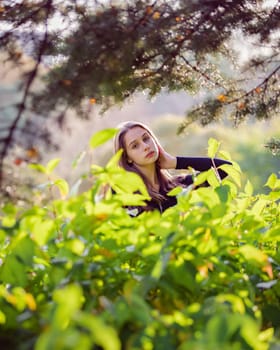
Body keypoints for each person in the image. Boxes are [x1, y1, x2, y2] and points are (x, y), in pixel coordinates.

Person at [114, 121, 232, 215]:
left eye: (146, 138)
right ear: (127, 158)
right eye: (135, 146)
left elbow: (226, 168)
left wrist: (176, 162)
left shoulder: (181, 187)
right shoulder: (122, 195)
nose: (145, 146)